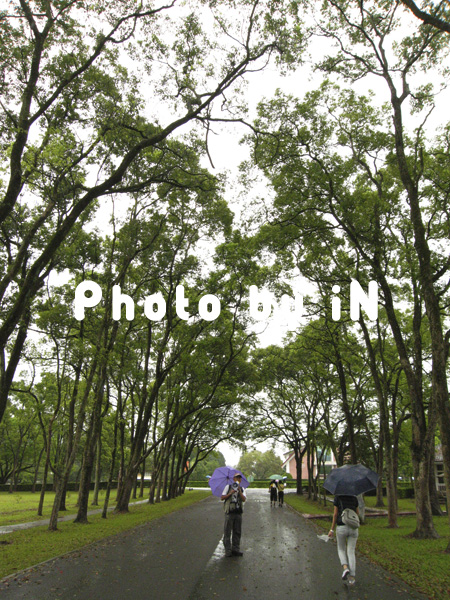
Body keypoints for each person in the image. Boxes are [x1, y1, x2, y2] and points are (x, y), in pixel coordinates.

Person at [328, 494, 359, 586]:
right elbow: (357, 513)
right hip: (353, 528)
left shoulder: (338, 497)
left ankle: (345, 568)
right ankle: (352, 577)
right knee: (351, 551)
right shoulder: (354, 498)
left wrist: (331, 529)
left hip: (341, 527)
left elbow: (335, 514)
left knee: (341, 549)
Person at [221, 473, 246, 557]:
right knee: (227, 531)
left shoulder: (242, 488)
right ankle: (228, 550)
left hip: (238, 512)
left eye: (239, 478)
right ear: (233, 478)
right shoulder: (228, 487)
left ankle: (236, 549)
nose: (238, 479)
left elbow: (244, 499)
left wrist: (239, 492)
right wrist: (230, 493)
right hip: (229, 511)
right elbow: (222, 497)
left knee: (237, 531)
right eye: (236, 477)